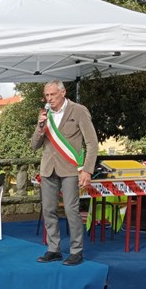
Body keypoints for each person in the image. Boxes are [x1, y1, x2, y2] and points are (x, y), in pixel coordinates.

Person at [32, 80, 98, 266]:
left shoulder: (78, 110)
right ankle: (54, 249)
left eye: (53, 94)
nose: (49, 98)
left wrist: (87, 169)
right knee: (48, 210)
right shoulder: (45, 115)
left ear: (63, 92)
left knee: (71, 210)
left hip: (70, 168)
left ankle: (76, 251)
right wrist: (40, 126)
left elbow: (92, 143)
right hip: (48, 168)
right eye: (47, 95)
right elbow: (34, 145)